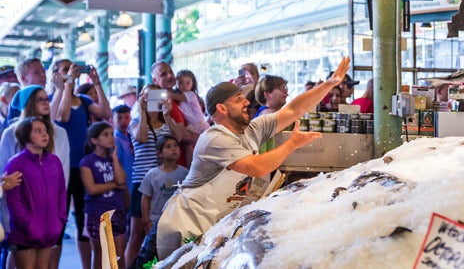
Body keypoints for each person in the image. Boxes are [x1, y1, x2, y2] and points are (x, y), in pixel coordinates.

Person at [156, 56, 350, 259]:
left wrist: (330, 83)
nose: (247, 102)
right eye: (239, 99)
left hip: (213, 226)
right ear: (222, 108)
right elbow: (257, 167)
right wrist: (292, 143)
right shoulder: (214, 138)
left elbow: (293, 110)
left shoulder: (252, 130)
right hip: (187, 226)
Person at [52, 59, 111, 269]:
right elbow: (62, 115)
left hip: (83, 167)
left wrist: (96, 83)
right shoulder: (54, 98)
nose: (71, 72)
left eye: (72, 68)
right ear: (55, 75)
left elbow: (106, 113)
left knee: (83, 222)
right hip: (62, 168)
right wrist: (67, 84)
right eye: (65, 69)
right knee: (59, 222)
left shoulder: (84, 100)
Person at [124, 85, 183, 268]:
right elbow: (140, 137)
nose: (153, 99)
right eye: (148, 95)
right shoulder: (135, 121)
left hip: (165, 180)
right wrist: (142, 111)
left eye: (157, 95)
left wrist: (167, 114)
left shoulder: (167, 122)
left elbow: (178, 138)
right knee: (137, 233)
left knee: (161, 231)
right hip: (142, 179)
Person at [4, 117, 67, 269]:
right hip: (24, 233)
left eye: (45, 131)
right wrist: (28, 225)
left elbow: (61, 193)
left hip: (50, 231)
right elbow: (14, 200)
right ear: (25, 135)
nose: (45, 135)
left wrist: (60, 221)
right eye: (38, 131)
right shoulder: (16, 163)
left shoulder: (54, 161)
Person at [131, 135, 188, 269]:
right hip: (156, 221)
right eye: (168, 147)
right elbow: (146, 198)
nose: (174, 149)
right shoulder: (152, 174)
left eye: (175, 146)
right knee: (152, 255)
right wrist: (146, 221)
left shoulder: (184, 173)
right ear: (160, 153)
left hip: (175, 222)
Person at [79, 121, 127, 269]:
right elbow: (92, 189)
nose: (111, 138)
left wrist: (113, 157)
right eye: (106, 135)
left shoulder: (115, 160)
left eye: (112, 134)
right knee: (101, 255)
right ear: (94, 140)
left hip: (117, 210)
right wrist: (114, 185)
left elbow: (122, 181)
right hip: (97, 212)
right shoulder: (87, 162)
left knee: (119, 255)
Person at [5, 58, 48, 127]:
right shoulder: (18, 101)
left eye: (44, 72)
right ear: (23, 78)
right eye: (36, 72)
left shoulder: (49, 96)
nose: (43, 75)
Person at [173, 70, 209, 134]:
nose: (184, 85)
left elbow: (175, 96)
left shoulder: (191, 95)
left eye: (188, 83)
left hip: (198, 124)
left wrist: (165, 92)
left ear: (193, 84)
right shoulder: (180, 97)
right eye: (180, 83)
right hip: (192, 124)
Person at [112, 105, 134, 196]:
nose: (123, 121)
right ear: (112, 120)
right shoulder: (113, 141)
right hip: (122, 183)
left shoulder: (132, 137)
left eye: (126, 117)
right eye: (119, 118)